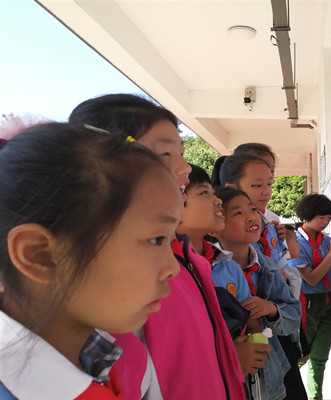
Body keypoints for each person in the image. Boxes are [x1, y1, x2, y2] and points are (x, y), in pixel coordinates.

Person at [68, 94, 245, 400]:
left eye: (182, 153)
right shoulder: (108, 278)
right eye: (165, 153)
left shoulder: (186, 256)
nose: (185, 168)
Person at [0, 122, 182, 399]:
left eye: (170, 239)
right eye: (156, 239)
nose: (173, 268)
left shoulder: (104, 361)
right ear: (41, 255)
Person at [213, 154, 308, 399]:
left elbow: (292, 313)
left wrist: (272, 310)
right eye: (238, 213)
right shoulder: (209, 270)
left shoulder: (265, 265)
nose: (252, 216)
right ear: (215, 224)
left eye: (253, 210)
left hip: (275, 361)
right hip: (233, 371)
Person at [178, 163, 270, 378]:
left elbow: (251, 323)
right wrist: (229, 357)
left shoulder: (227, 265)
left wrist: (253, 342)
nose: (217, 200)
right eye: (204, 193)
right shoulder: (170, 271)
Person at [289, 194, 331, 400]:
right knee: (302, 355)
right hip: (309, 304)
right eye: (321, 217)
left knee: (320, 358)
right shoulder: (296, 243)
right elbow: (311, 279)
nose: (325, 222)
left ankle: (316, 396)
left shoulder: (327, 241)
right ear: (307, 215)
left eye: (329, 218)